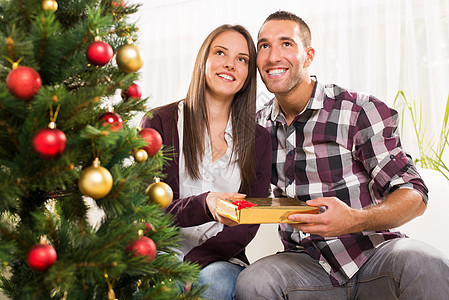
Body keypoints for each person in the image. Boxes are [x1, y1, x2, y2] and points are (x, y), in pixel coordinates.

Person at [234, 10, 449, 299]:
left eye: (286, 44)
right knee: (254, 282)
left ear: (309, 56)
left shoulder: (358, 110)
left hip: (374, 256)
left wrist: (354, 220)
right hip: (305, 265)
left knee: (426, 263)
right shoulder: (257, 128)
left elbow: (414, 193)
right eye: (264, 46)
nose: (273, 57)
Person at [140, 24, 271, 300]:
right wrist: (206, 204)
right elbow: (148, 209)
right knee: (162, 285)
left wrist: (197, 260)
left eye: (242, 59)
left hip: (221, 259)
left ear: (248, 74)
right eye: (220, 52)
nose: (230, 64)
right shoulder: (159, 124)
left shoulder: (259, 139)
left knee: (213, 284)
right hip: (160, 252)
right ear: (204, 60)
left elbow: (249, 220)